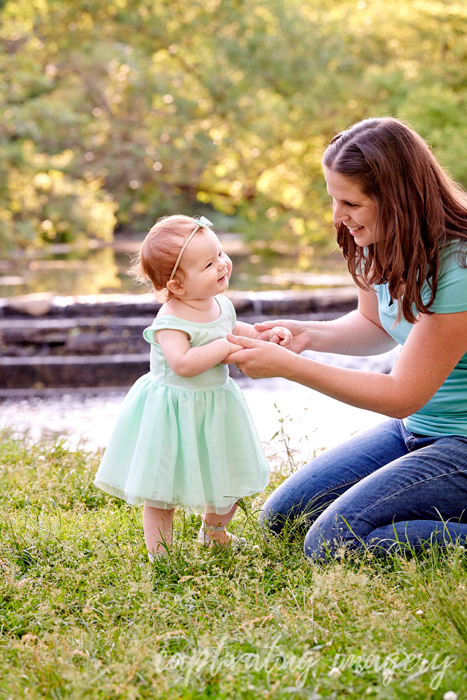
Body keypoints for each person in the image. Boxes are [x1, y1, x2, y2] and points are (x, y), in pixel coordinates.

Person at [225, 117, 467, 560]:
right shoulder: (377, 240)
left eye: (350, 202)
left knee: (331, 543)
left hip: (462, 444)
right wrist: (306, 335)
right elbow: (376, 326)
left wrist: (289, 367)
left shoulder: (460, 265)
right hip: (416, 430)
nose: (338, 216)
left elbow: (402, 395)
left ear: (397, 200)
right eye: (334, 199)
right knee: (284, 518)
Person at [94, 214, 291, 561]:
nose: (222, 265)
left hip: (216, 406)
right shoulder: (170, 320)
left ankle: (214, 532)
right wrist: (224, 349)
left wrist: (262, 336)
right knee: (161, 489)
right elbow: (182, 364)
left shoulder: (221, 304)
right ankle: (162, 553)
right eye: (208, 264)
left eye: (220, 254)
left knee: (227, 474)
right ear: (177, 286)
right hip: (173, 411)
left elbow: (234, 329)